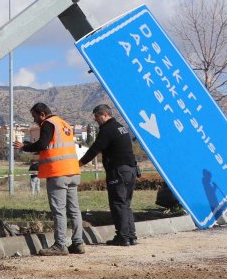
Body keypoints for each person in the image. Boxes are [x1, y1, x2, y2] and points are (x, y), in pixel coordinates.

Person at [13, 102, 85, 256]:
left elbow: (43, 144)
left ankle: (60, 245)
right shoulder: (64, 124)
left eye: (35, 117)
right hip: (73, 171)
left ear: (42, 114)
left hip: (58, 173)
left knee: (59, 210)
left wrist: (24, 147)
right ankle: (78, 243)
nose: (35, 121)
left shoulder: (48, 123)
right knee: (74, 210)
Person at [80, 104, 140, 246]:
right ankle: (131, 236)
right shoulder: (121, 127)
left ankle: (122, 237)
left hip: (118, 171)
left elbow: (96, 148)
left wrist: (80, 163)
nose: (96, 120)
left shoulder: (108, 129)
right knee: (125, 204)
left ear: (105, 115)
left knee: (118, 203)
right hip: (130, 170)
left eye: (97, 116)